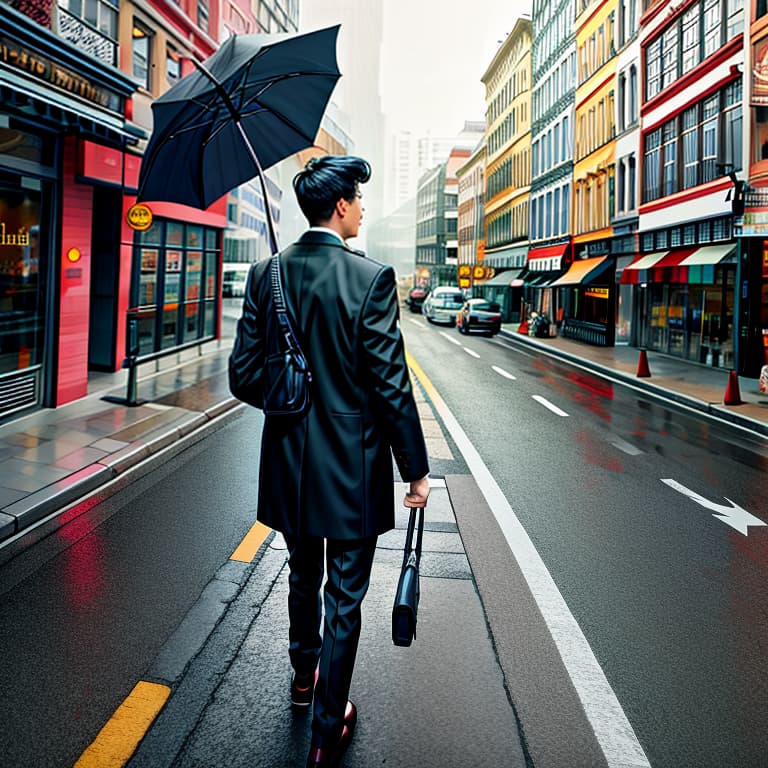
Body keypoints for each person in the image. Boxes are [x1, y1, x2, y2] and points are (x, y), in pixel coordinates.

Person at [230, 155, 430, 768]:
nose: (363, 210)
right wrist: (414, 471)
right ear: (340, 205)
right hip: (351, 470)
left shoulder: (268, 274)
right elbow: (391, 386)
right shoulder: (371, 279)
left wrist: (289, 396)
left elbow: (242, 377)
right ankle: (325, 729)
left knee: (300, 576)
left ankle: (301, 677)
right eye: (360, 200)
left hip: (290, 466)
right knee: (345, 596)